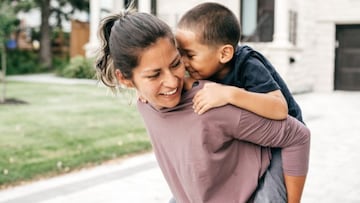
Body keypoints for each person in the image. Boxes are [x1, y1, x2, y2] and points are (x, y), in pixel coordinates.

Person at [95, 10, 310, 203]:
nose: (173, 81)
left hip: (280, 129)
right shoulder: (146, 102)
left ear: (224, 53)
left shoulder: (226, 88)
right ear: (125, 80)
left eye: (176, 63)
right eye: (154, 74)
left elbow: (288, 123)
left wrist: (228, 93)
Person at [175, 2, 305, 202]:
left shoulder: (248, 64)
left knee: (268, 197)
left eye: (190, 55)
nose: (183, 62)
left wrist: (229, 94)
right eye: (180, 54)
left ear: (224, 54)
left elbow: (279, 108)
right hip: (251, 136)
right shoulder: (203, 66)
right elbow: (183, 84)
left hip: (282, 140)